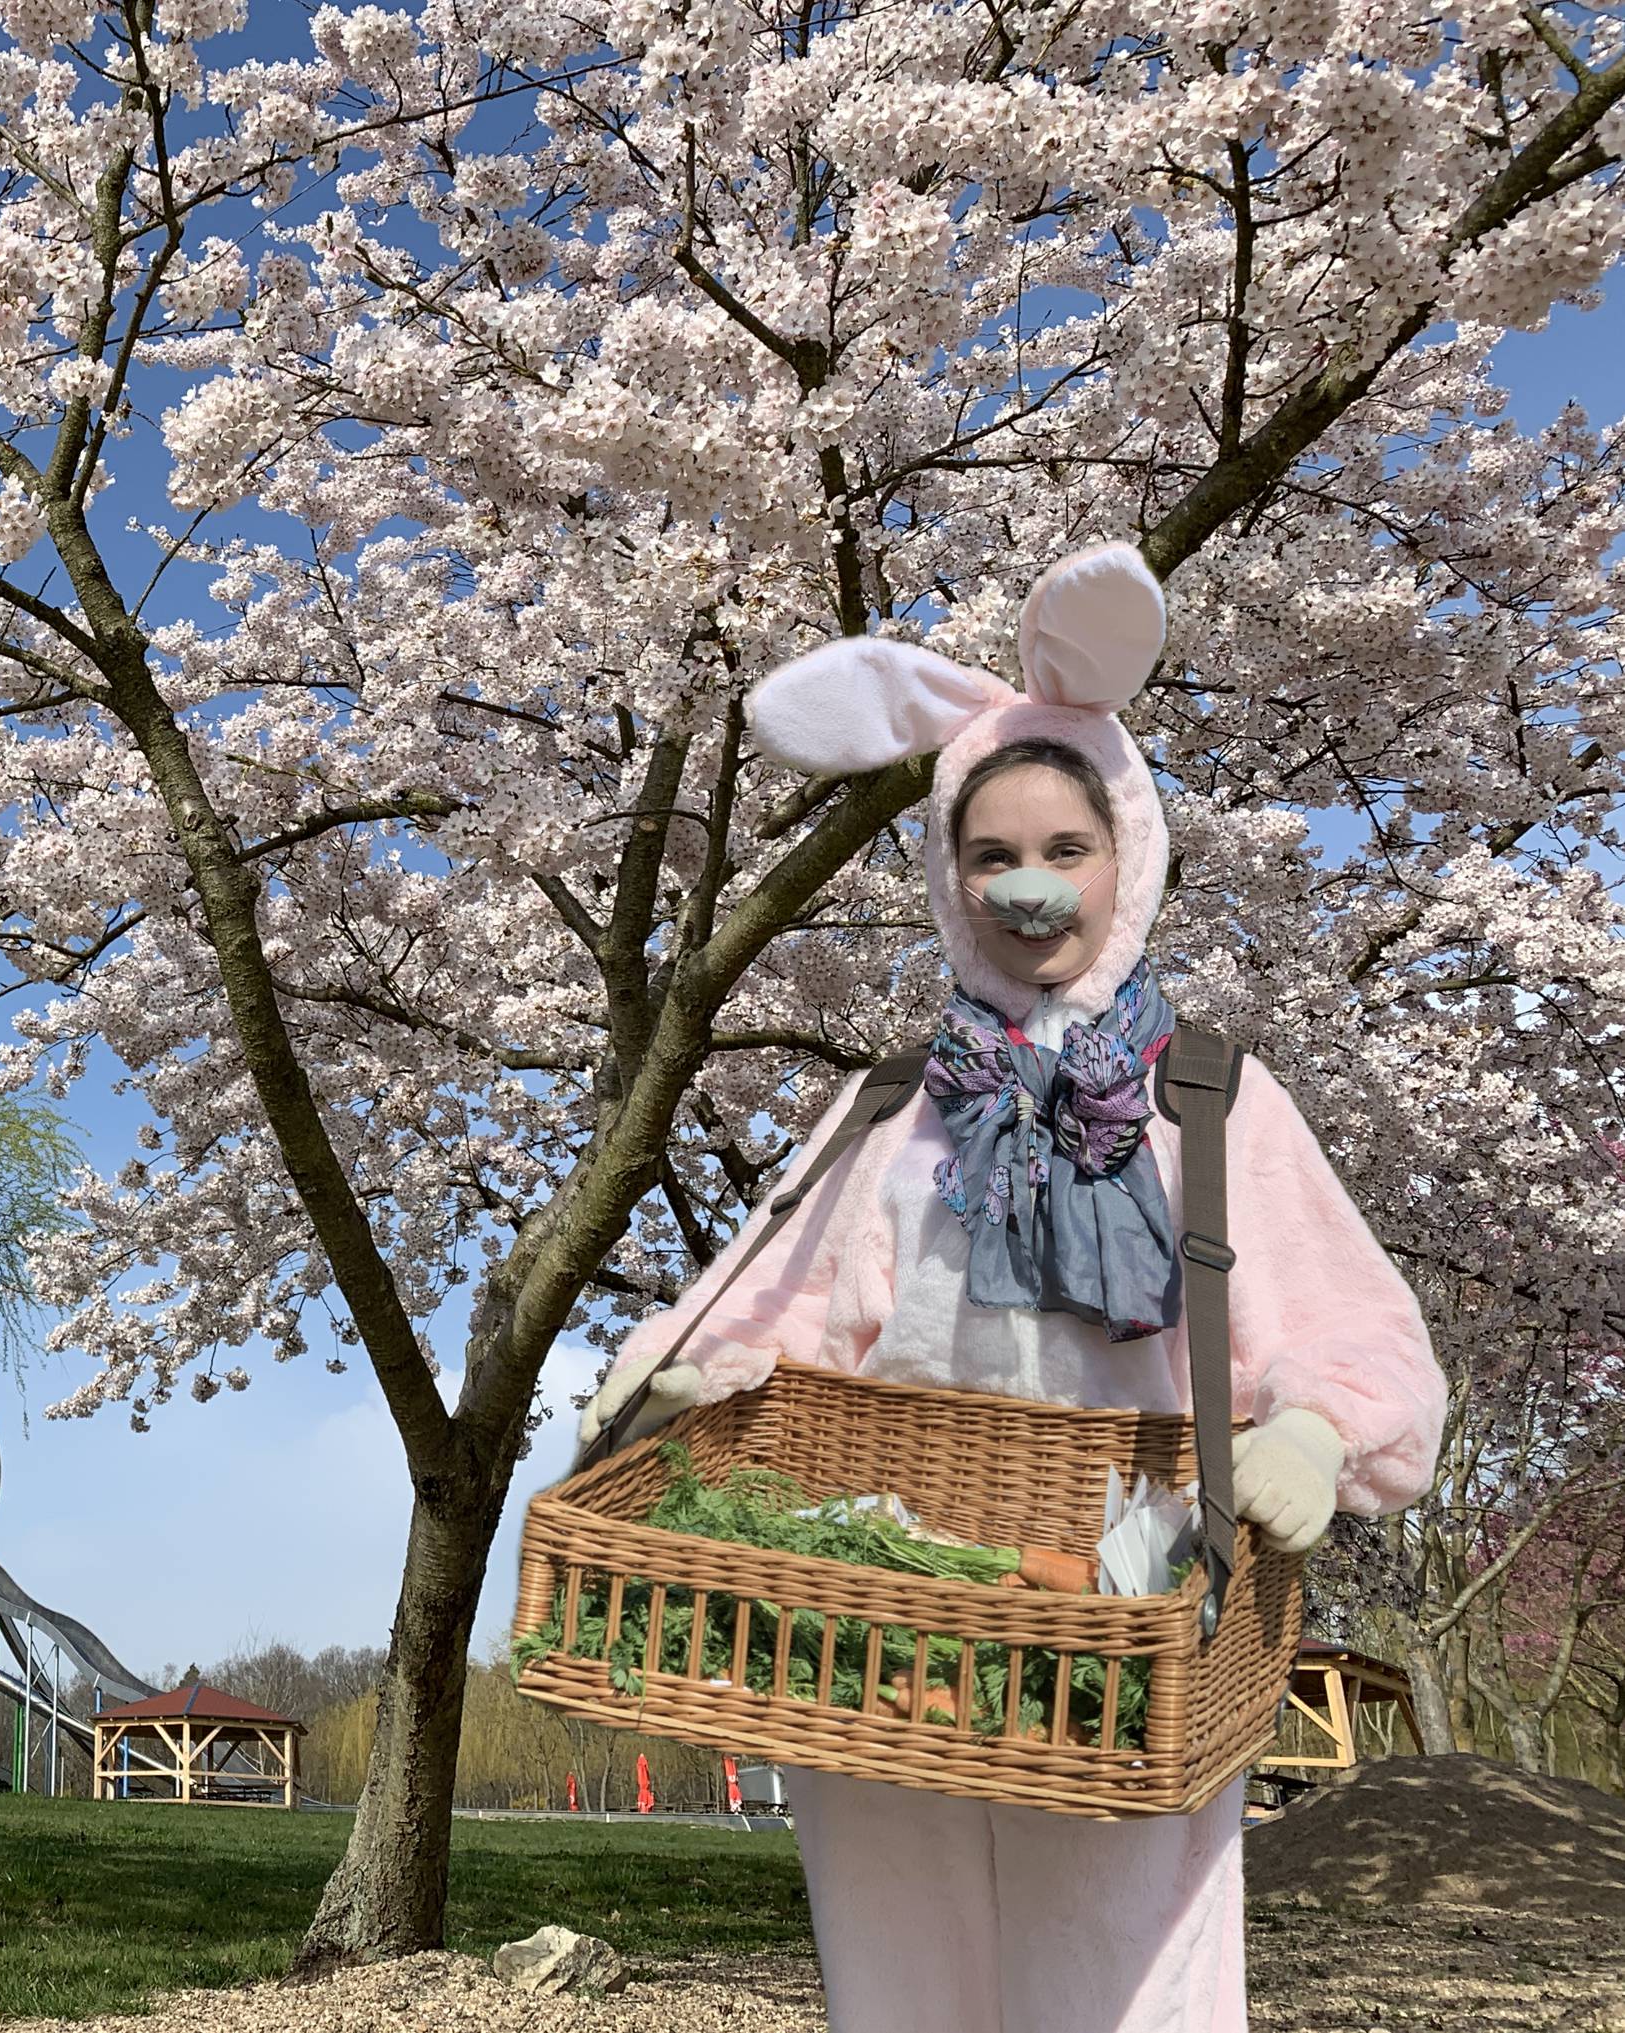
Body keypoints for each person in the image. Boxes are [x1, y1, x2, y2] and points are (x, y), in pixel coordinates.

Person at [575, 543, 1447, 2033]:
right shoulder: (890, 1109)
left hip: (1134, 1618)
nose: (1029, 887)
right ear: (942, 873)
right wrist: (684, 1368)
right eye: (990, 854)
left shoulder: (1215, 1103)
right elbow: (789, 1309)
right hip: (887, 1617)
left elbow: (1358, 1333)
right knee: (899, 1973)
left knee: (1130, 1984)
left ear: (1132, 856)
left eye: (1066, 847)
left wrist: (1320, 1432)